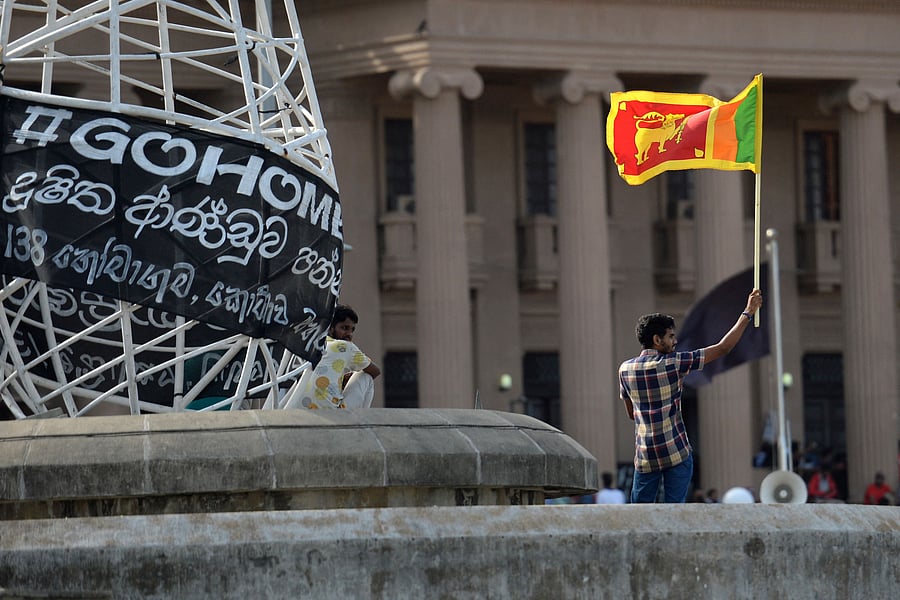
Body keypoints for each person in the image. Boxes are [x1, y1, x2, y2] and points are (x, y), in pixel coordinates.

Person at [619, 288, 763, 504]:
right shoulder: (674, 363)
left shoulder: (625, 369)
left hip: (645, 456)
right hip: (676, 453)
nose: (675, 341)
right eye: (671, 336)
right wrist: (748, 312)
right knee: (675, 510)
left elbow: (631, 413)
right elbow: (724, 348)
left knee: (639, 514)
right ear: (657, 339)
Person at [285, 304, 381, 409]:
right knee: (366, 377)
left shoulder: (311, 345)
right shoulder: (345, 347)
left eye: (352, 330)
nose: (349, 334)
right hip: (330, 412)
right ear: (330, 328)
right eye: (345, 328)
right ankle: (361, 421)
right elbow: (375, 371)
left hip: (298, 409)